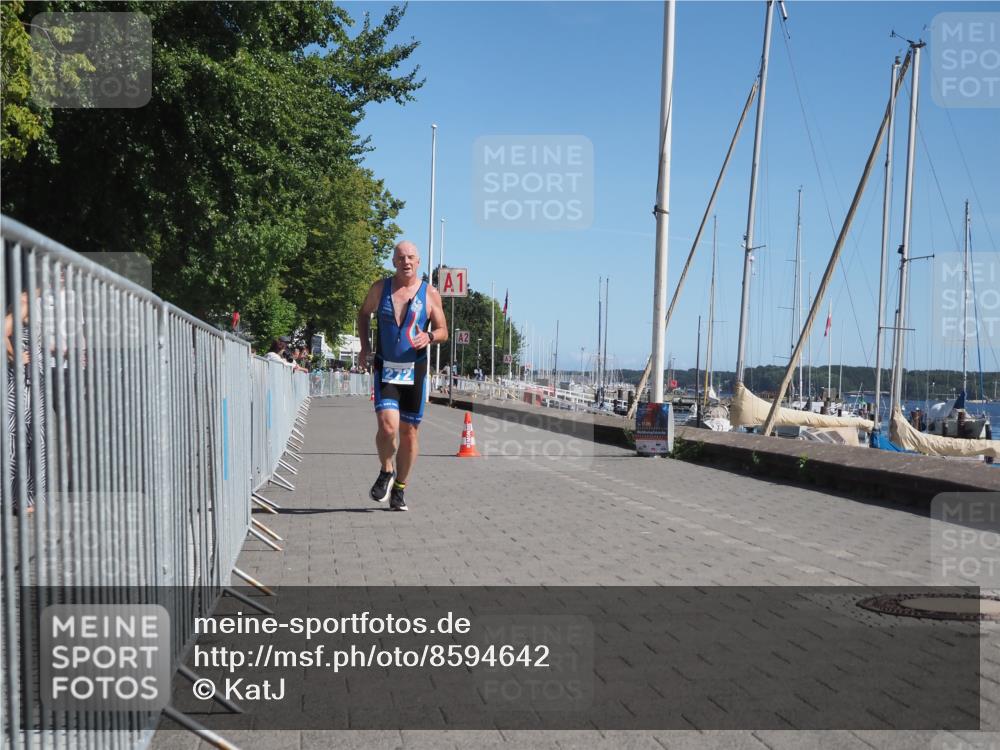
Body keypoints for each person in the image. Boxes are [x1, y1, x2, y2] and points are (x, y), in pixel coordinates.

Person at [357, 241, 448, 511]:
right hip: (386, 367)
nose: (406, 262)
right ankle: (386, 470)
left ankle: (400, 488)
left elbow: (443, 330)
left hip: (415, 370)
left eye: (410, 257)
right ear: (393, 262)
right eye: (400, 257)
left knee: (409, 432)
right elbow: (363, 314)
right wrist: (365, 347)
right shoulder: (380, 288)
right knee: (387, 427)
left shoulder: (429, 293)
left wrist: (429, 336)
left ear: (418, 261)